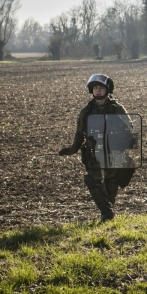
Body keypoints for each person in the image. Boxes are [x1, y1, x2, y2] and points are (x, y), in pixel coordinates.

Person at [59, 74, 132, 223]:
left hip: (113, 151)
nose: (98, 90)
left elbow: (129, 128)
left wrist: (120, 143)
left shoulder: (117, 109)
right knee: (92, 180)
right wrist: (73, 148)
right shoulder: (85, 111)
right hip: (93, 151)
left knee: (111, 181)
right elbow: (79, 133)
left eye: (101, 88)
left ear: (108, 90)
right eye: (95, 88)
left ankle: (108, 207)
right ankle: (106, 213)